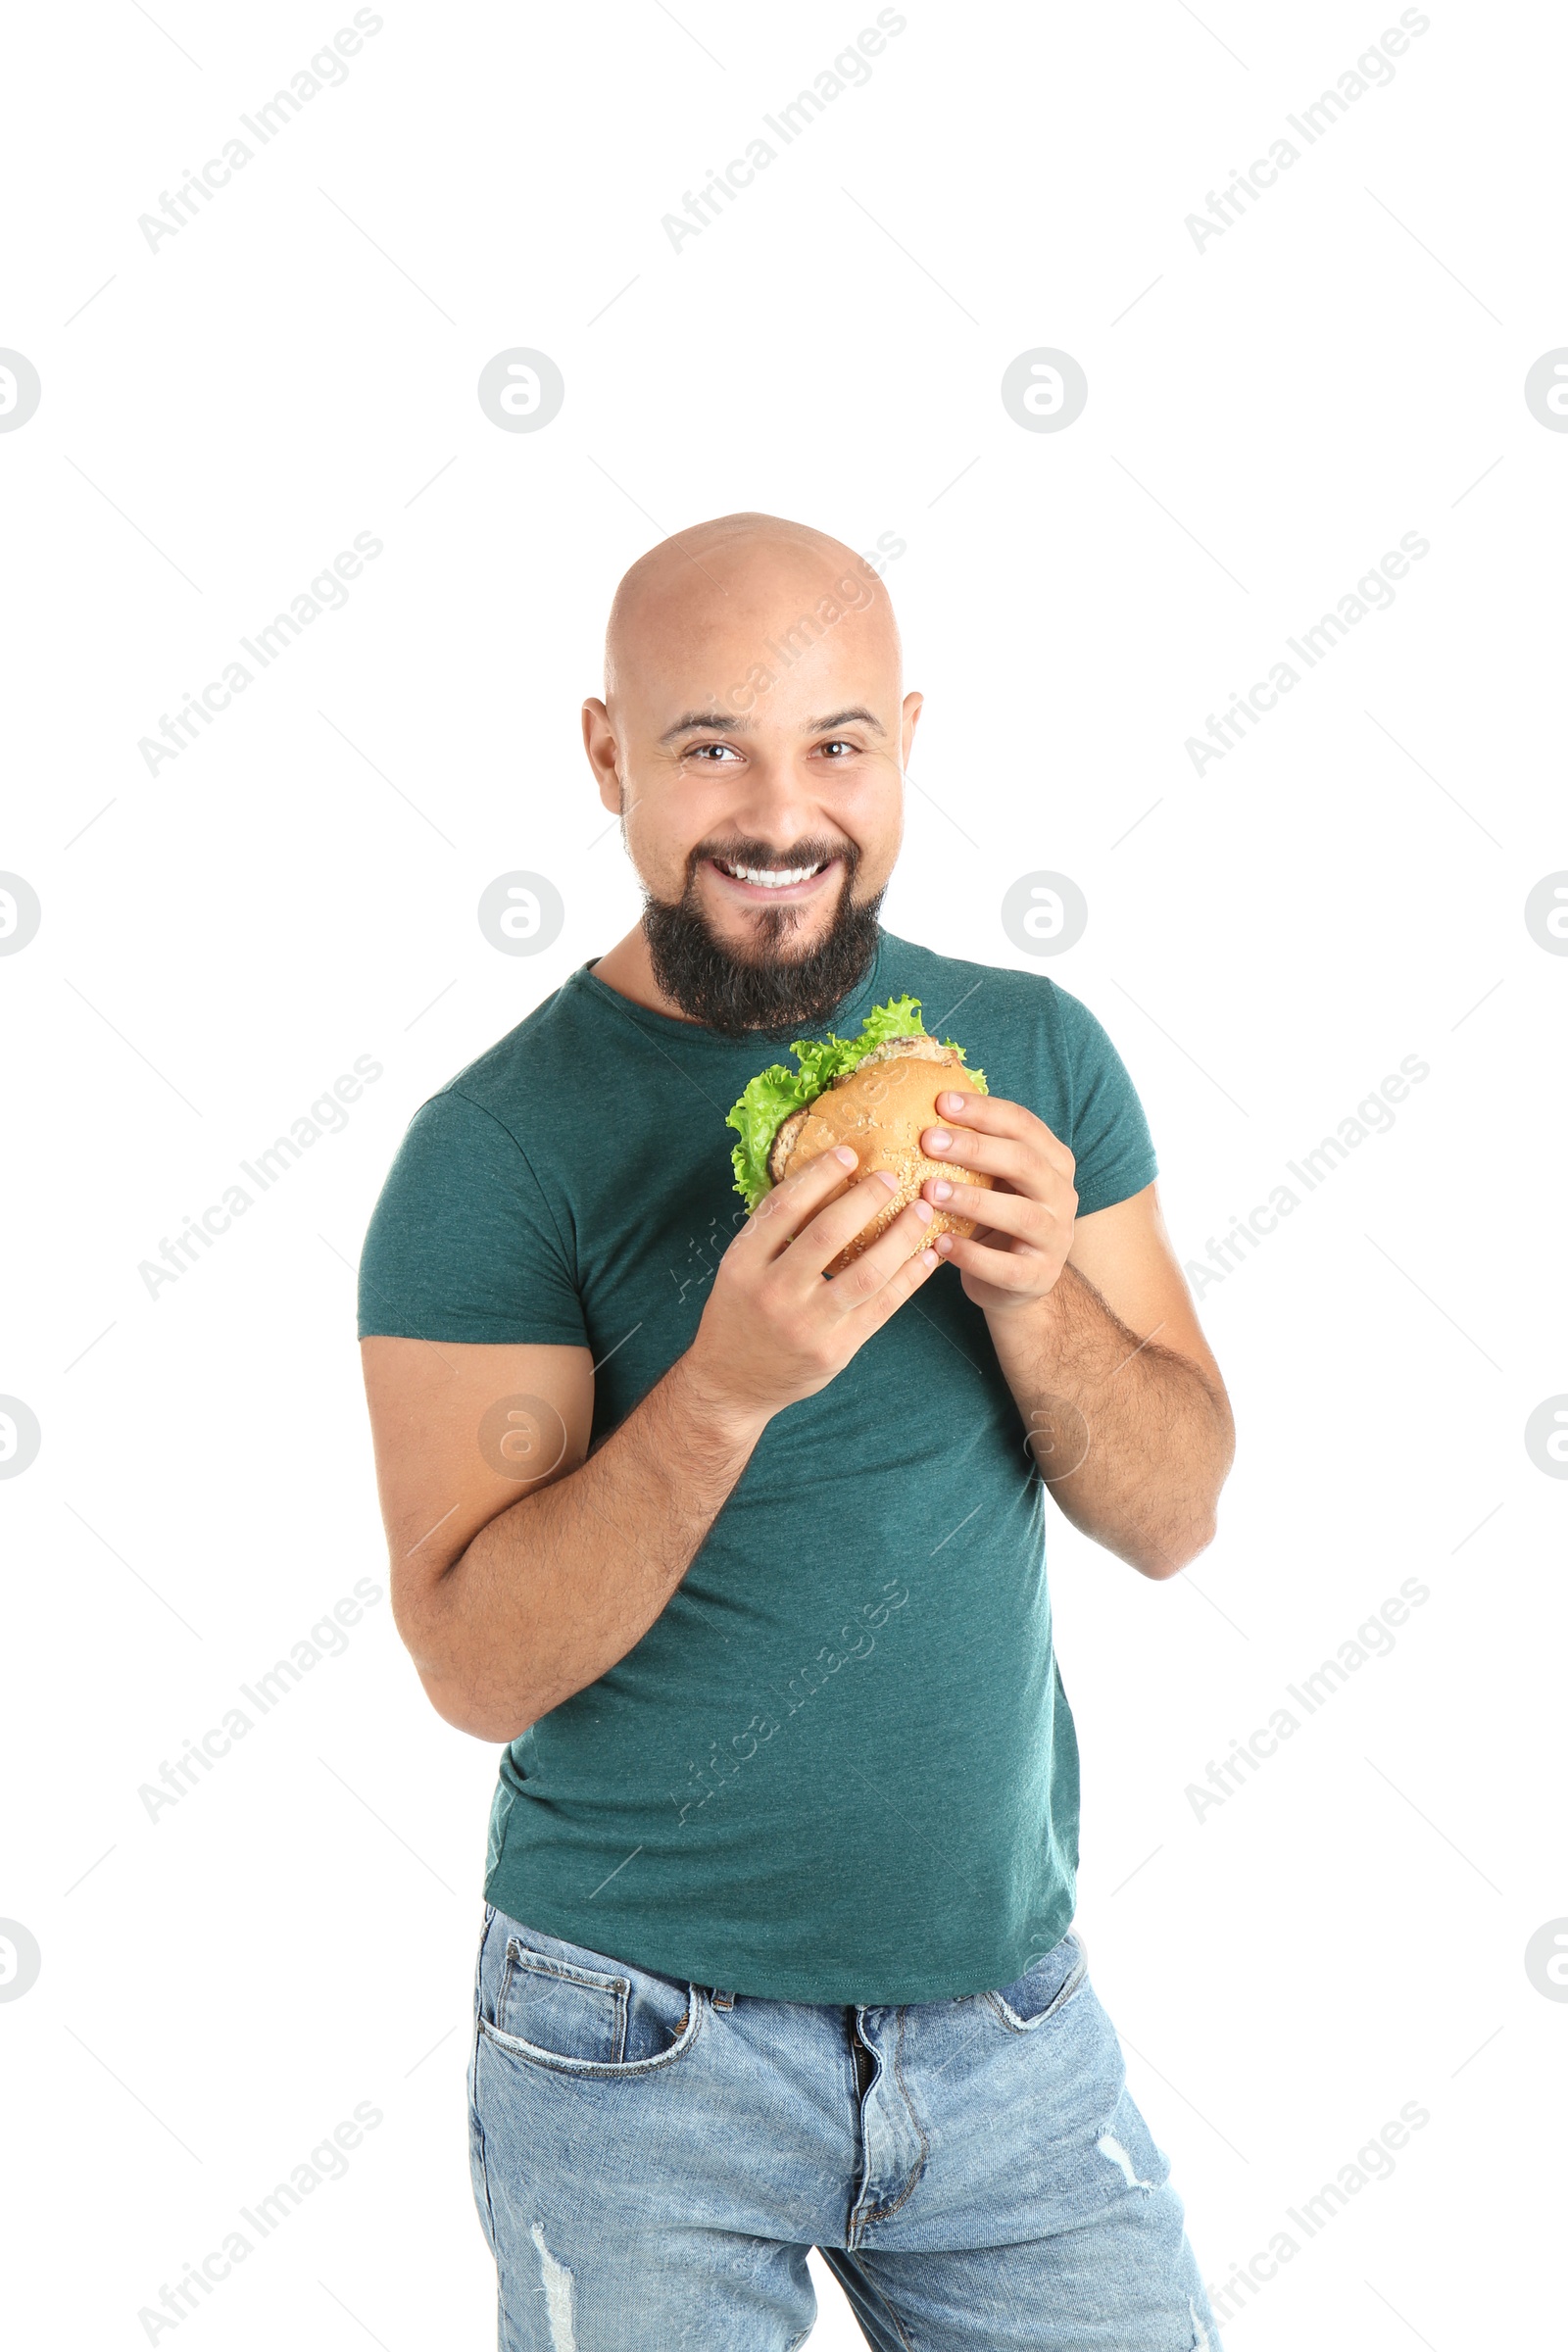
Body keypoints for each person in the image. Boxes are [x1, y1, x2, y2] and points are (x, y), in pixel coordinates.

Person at [357, 511, 1235, 2350]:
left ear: (906, 739)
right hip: (631, 2048)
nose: (781, 815)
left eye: (836, 745)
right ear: (606, 756)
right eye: (709, 749)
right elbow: (473, 1660)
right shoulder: (493, 1151)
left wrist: (1032, 1294)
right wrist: (726, 1391)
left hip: (1009, 2034)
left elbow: (1175, 1515)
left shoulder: (1033, 1059)